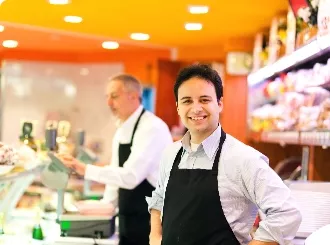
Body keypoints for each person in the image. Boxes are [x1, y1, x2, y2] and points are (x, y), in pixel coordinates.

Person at [147, 64, 302, 245]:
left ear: (219, 103)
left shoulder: (243, 159)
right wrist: (155, 236)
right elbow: (159, 198)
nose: (196, 108)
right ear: (178, 107)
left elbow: (287, 212)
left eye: (204, 100)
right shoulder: (170, 154)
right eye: (187, 101)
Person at [58, 74, 173, 245]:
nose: (109, 103)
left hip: (153, 222)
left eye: (114, 96)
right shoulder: (122, 129)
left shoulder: (152, 128)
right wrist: (106, 207)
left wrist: (85, 169)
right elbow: (115, 172)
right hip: (128, 219)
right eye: (107, 97)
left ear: (133, 96)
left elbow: (131, 177)